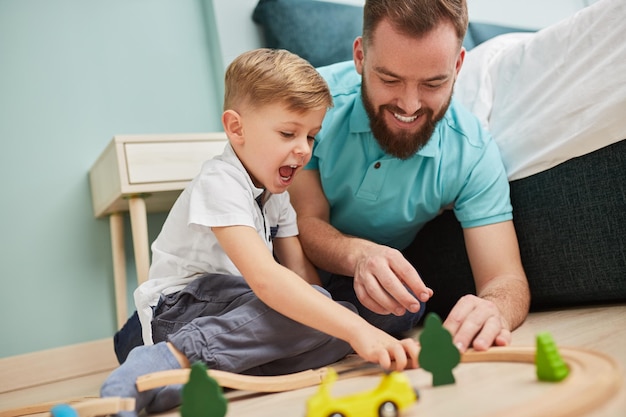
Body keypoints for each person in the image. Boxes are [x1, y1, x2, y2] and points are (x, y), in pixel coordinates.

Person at [100, 48, 421, 417]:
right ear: (237, 128)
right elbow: (268, 281)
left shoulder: (276, 195)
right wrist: (353, 329)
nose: (303, 151)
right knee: (331, 316)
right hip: (178, 311)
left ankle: (202, 377)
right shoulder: (220, 180)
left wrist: (342, 322)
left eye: (311, 137)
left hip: (238, 311)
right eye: (288, 133)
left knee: (331, 310)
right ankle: (168, 356)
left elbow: (302, 278)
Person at [288, 0, 531, 354]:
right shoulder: (313, 102)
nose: (410, 105)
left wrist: (494, 307)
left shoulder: (472, 152)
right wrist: (358, 255)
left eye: (433, 83)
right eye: (390, 79)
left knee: (400, 313)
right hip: (281, 258)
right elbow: (304, 220)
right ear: (360, 57)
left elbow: (505, 277)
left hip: (353, 297)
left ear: (458, 65)